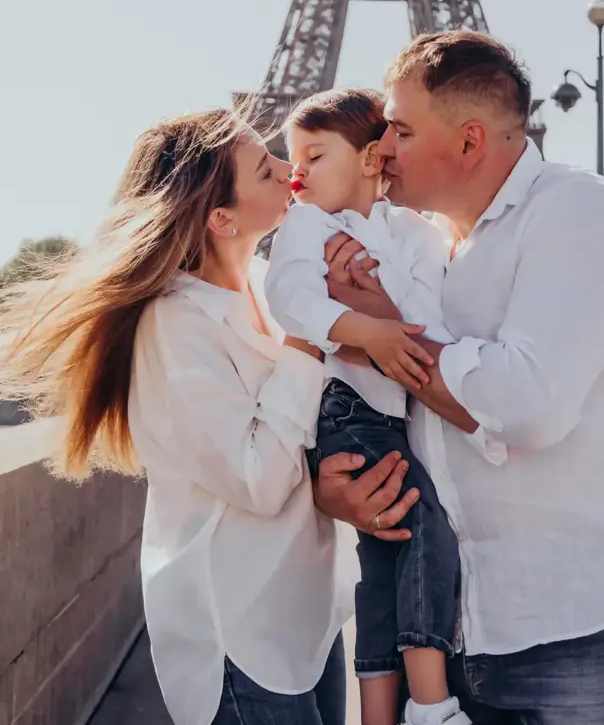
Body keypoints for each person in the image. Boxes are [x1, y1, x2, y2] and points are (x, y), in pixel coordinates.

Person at [314, 31, 604, 725]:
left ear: (470, 142)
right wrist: (342, 483)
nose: (382, 147)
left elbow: (526, 403)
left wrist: (386, 333)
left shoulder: (578, 213)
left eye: (402, 130)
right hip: (450, 627)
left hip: (571, 629)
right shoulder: (422, 245)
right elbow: (404, 405)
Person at [0, 108, 360, 725]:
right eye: (266, 168)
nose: (289, 169)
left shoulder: (277, 290)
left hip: (309, 613)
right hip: (240, 635)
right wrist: (307, 341)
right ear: (222, 217)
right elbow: (260, 480)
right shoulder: (176, 324)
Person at [266, 89, 503, 725]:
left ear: (372, 159)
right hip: (347, 409)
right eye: (293, 157)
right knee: (425, 529)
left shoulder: (417, 233)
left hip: (394, 414)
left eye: (315, 155)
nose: (298, 172)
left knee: (385, 553)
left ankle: (377, 715)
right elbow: (289, 296)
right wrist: (364, 325)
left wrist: (366, 296)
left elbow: (426, 323)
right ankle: (429, 704)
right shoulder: (307, 221)